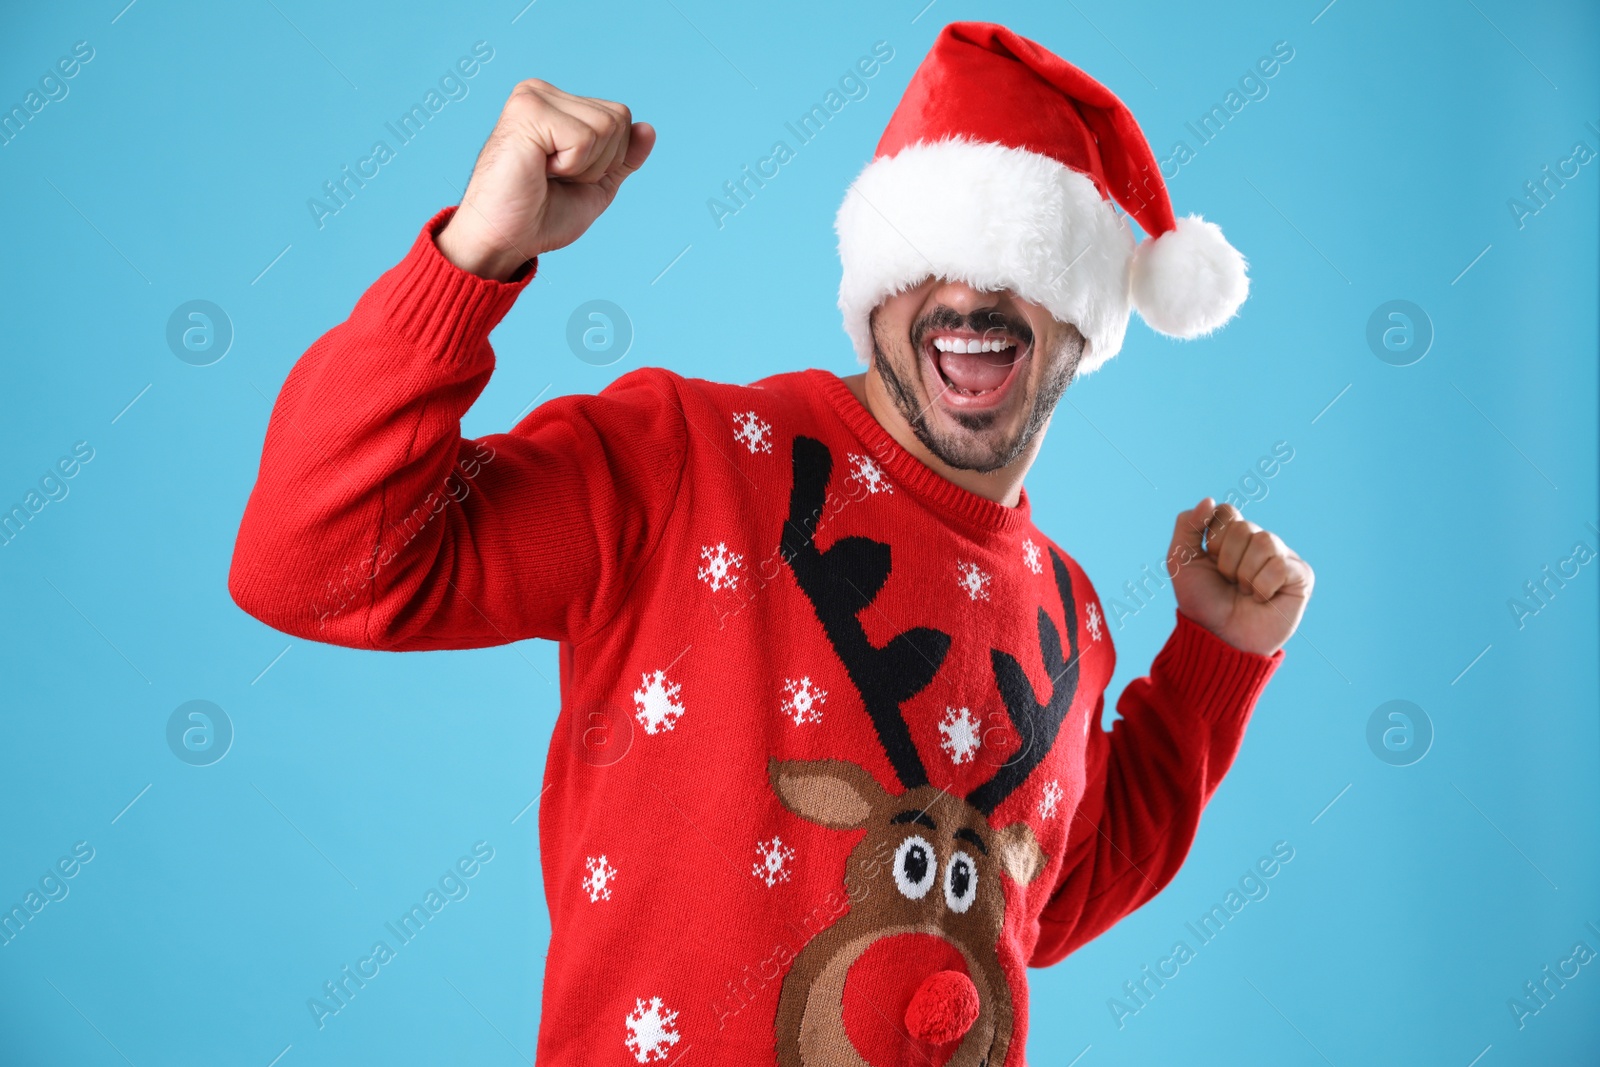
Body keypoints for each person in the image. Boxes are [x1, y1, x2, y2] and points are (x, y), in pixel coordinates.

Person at [230, 21, 1313, 1067]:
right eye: (942, 248)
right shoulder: (679, 459)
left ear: (1088, 317)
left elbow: (1033, 896)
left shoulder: (1068, 612)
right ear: (875, 281)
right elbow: (313, 563)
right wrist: (474, 256)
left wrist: (1214, 663)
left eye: (1027, 260)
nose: (974, 292)